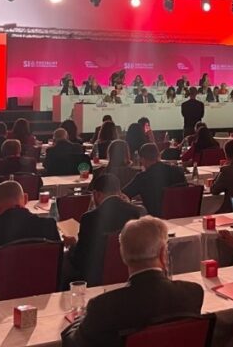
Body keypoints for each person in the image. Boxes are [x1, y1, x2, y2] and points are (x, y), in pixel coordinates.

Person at [61, 217, 203, 347]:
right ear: (162, 254)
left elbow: (71, 343)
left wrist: (82, 318)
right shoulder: (193, 293)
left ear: (123, 256)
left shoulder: (103, 307)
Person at [68, 174, 144, 286]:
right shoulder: (137, 211)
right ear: (119, 192)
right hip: (130, 271)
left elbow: (80, 258)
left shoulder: (89, 218)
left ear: (96, 194)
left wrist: (73, 245)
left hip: (96, 277)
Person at [123, 143, 187, 218]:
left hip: (155, 219)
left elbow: (123, 195)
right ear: (158, 156)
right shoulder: (177, 171)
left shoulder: (142, 178)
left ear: (142, 159)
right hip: (180, 216)